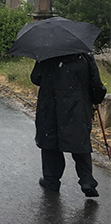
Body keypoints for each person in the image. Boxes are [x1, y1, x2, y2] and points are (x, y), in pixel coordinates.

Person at [31, 52, 106, 197]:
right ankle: (87, 180)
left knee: (50, 142)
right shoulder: (84, 55)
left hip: (50, 106)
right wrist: (97, 97)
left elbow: (36, 78)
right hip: (77, 107)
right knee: (79, 142)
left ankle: (51, 180)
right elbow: (96, 83)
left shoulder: (47, 54)